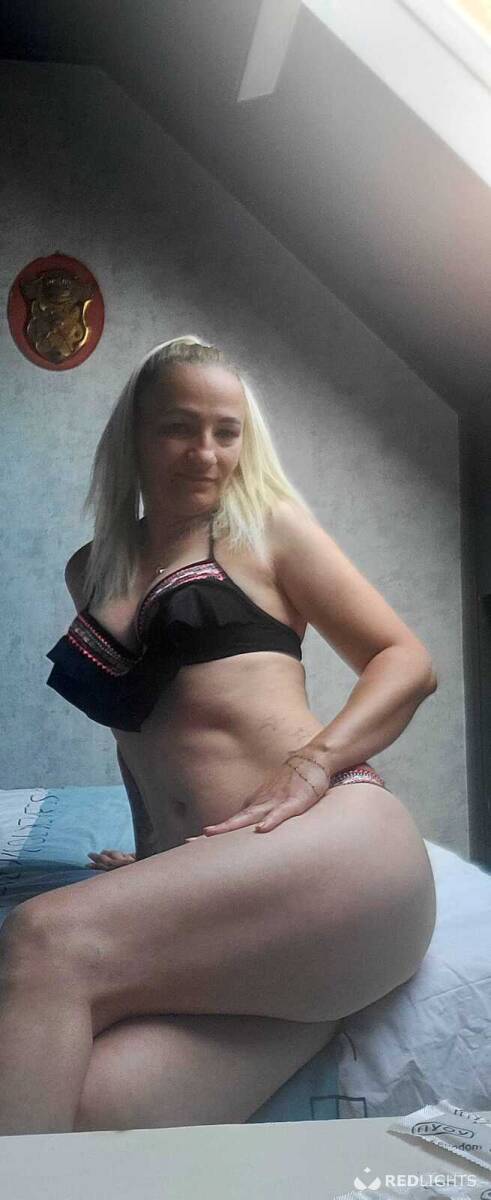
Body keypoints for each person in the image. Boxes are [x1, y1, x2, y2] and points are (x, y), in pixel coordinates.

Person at [0, 336, 438, 1136]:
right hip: (258, 907)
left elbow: (404, 660)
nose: (205, 452)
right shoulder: (91, 568)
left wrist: (314, 763)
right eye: (179, 427)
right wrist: (158, 863)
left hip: (332, 842)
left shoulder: (268, 531)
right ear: (135, 434)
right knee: (81, 1107)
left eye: (224, 431)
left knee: (43, 937)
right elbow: (139, 731)